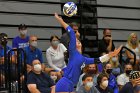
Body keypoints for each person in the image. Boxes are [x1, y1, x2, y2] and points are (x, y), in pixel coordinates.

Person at [54, 13, 121, 92]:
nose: (77, 40)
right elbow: (71, 32)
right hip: (65, 83)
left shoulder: (84, 59)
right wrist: (61, 21)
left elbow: (98, 60)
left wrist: (110, 55)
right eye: (76, 41)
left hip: (71, 84)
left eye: (78, 40)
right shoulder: (73, 51)